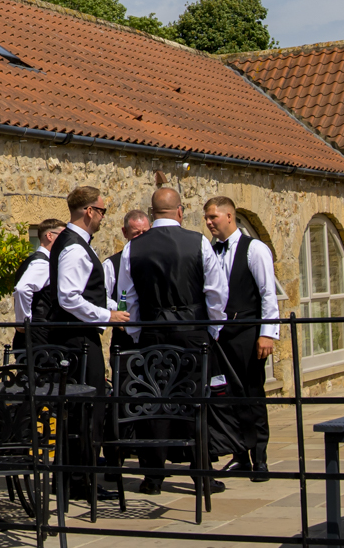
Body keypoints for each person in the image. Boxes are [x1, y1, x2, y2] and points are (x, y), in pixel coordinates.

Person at [114, 189, 228, 494]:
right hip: (192, 331)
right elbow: (216, 291)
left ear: (152, 214)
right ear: (179, 211)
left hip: (152, 331)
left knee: (155, 403)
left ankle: (153, 476)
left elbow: (125, 296)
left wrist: (137, 331)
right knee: (196, 403)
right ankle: (201, 475)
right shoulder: (198, 242)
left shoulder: (132, 249)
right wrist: (213, 327)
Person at [35, 187, 129, 501]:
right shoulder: (75, 247)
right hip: (79, 341)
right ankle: (80, 481)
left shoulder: (70, 243)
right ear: (89, 211)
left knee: (78, 412)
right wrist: (107, 315)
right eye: (102, 210)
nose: (103, 216)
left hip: (76, 337)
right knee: (89, 411)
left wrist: (108, 304)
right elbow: (69, 297)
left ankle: (75, 479)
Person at [204, 196, 280, 481]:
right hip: (220, 335)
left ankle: (259, 458)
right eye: (207, 218)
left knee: (252, 394)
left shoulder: (255, 249)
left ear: (229, 216)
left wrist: (267, 334)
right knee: (228, 396)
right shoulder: (211, 250)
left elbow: (268, 293)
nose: (209, 223)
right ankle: (239, 456)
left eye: (213, 217)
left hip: (247, 331)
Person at [11, 219, 66, 350]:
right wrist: (24, 322)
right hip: (39, 335)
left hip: (35, 334)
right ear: (49, 236)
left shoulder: (33, 260)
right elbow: (22, 289)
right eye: (63, 235)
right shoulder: (42, 263)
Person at [103, 211, 150, 364]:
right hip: (124, 338)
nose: (142, 237)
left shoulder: (156, 261)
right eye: (137, 233)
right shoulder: (111, 264)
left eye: (145, 232)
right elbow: (102, 296)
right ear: (125, 232)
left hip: (151, 334)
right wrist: (118, 309)